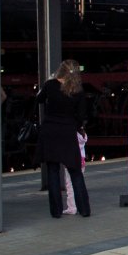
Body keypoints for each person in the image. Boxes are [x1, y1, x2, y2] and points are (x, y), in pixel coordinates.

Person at [36, 59, 91, 218]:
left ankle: (56, 211)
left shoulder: (50, 85)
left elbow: (38, 100)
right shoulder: (78, 90)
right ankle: (84, 209)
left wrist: (48, 82)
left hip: (50, 131)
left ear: (60, 70)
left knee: (53, 171)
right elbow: (82, 116)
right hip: (68, 132)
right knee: (75, 172)